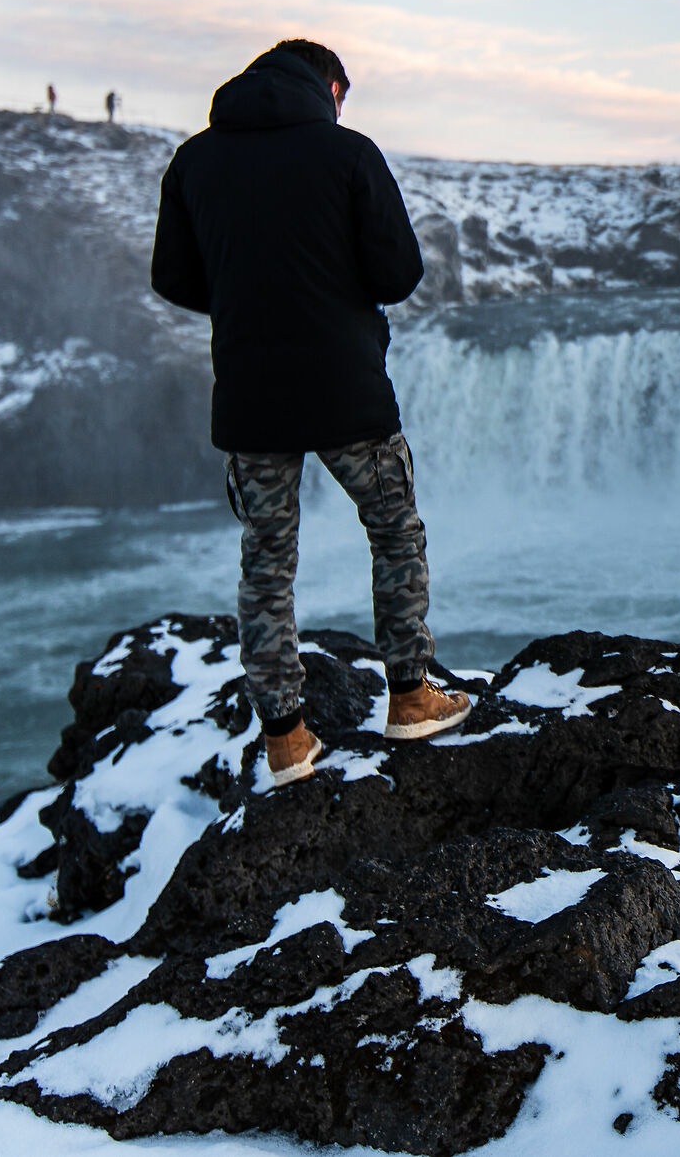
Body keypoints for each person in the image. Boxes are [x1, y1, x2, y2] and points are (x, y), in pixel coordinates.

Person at [149, 39, 470, 787]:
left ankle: (287, 741)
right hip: (346, 388)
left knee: (266, 565)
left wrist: (245, 294)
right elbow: (399, 273)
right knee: (393, 532)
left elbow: (172, 277)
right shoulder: (348, 153)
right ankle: (411, 696)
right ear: (329, 88)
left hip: (251, 397)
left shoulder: (195, 161)